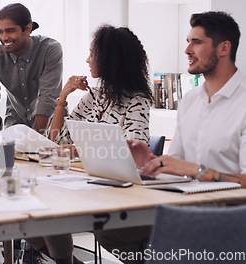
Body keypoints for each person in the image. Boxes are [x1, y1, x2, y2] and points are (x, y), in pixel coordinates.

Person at [95, 11, 245, 264]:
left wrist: (197, 170)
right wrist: (151, 161)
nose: (187, 49)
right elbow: (178, 164)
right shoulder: (191, 100)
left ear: (223, 48)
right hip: (187, 205)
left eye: (196, 42)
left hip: (230, 214)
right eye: (188, 41)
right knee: (110, 230)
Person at [25, 25, 153, 264]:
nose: (87, 60)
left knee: (54, 215)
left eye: (92, 54)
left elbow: (136, 147)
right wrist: (62, 98)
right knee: (30, 216)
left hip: (117, 191)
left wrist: (78, 150)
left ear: (110, 59)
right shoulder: (96, 95)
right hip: (88, 181)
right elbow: (58, 139)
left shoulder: (138, 99)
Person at [0, 3, 63, 134]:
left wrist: (35, 140)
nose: (4, 38)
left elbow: (48, 98)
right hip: (15, 124)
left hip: (49, 125)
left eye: (10, 31)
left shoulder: (50, 49)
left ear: (27, 29)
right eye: (0, 32)